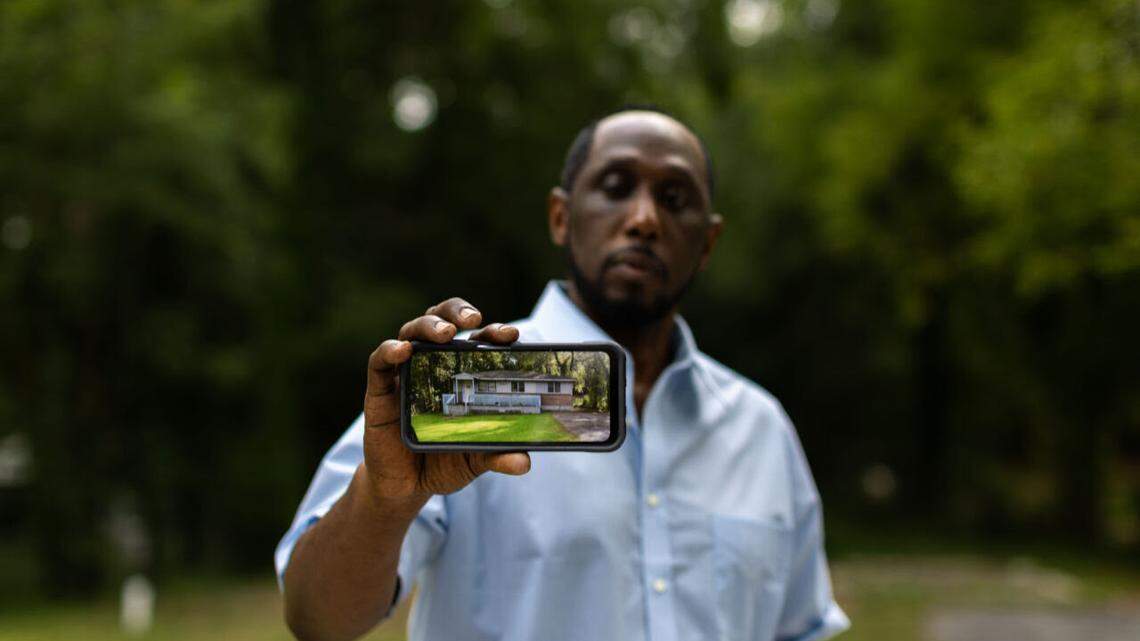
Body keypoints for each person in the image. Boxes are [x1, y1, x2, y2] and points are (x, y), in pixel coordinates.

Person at [276, 106, 850, 641]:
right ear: (560, 216)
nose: (644, 219)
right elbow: (316, 619)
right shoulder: (467, 390)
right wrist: (384, 500)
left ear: (708, 241)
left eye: (675, 198)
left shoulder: (760, 428)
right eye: (615, 187)